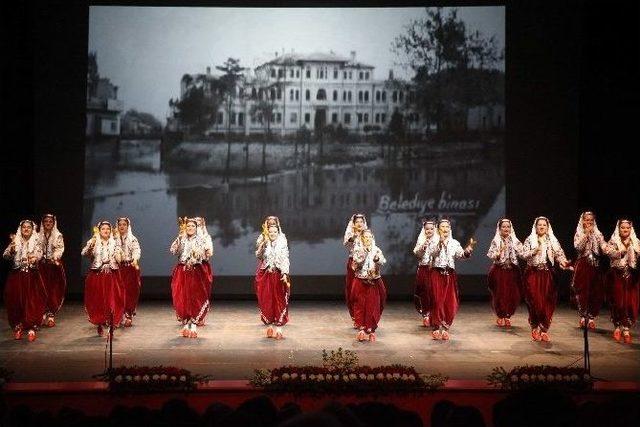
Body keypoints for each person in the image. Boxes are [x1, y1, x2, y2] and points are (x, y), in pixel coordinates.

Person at [521, 216, 572, 342]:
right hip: (532, 274)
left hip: (547, 275)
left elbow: (559, 254)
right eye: (540, 225)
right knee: (534, 301)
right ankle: (535, 326)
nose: (542, 227)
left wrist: (564, 264)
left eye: (544, 225)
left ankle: (543, 329)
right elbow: (522, 254)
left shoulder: (552, 240)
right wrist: (534, 251)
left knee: (546, 302)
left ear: (547, 227)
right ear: (536, 227)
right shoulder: (530, 240)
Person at [424, 219, 475, 340]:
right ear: (438, 229)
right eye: (442, 226)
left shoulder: (454, 243)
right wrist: (439, 244)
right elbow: (432, 253)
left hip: (449, 275)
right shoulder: (433, 241)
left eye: (447, 226)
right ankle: (436, 327)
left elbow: (461, 255)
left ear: (450, 229)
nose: (445, 229)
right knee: (437, 301)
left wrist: (467, 252)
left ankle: (446, 327)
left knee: (450, 302)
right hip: (437, 273)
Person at [3, 219, 47, 341]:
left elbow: (40, 253)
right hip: (17, 276)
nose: (26, 229)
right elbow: (5, 255)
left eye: (29, 227)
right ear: (21, 229)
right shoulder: (15, 241)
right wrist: (11, 249)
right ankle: (18, 326)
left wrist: (34, 258)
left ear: (32, 229)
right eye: (24, 227)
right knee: (16, 301)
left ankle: (32, 327)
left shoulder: (36, 241)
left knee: (32, 301)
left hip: (31, 276)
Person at [81, 221, 125, 336]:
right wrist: (92, 243)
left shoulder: (115, 243)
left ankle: (112, 325)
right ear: (99, 231)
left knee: (113, 300)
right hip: (97, 275)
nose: (106, 231)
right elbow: (84, 253)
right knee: (98, 300)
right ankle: (99, 323)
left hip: (112, 275)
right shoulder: (94, 241)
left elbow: (120, 259)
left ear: (110, 231)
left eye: (107, 229)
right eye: (103, 229)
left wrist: (119, 255)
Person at [170, 217, 210, 338]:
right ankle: (186, 322)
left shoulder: (201, 239)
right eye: (188, 226)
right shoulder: (181, 238)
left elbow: (205, 255)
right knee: (181, 296)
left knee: (195, 297)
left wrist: (197, 255)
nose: (190, 228)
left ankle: (193, 323)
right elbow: (172, 250)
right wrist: (179, 238)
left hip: (196, 271)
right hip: (182, 271)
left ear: (196, 228)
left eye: (193, 226)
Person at [604, 219, 639, 344]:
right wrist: (620, 252)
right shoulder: (614, 241)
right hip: (616, 276)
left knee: (630, 303)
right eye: (623, 228)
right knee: (618, 302)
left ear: (631, 229)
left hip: (631, 277)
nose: (625, 230)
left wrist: (635, 250)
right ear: (619, 229)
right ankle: (618, 327)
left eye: (627, 228)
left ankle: (626, 329)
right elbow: (607, 251)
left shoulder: (636, 242)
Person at [255, 218, 291, 339]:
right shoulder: (264, 241)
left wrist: (285, 273)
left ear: (278, 231)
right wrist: (262, 245)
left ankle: (279, 329)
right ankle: (269, 325)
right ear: (267, 232)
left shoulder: (282, 242)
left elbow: (285, 258)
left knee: (279, 301)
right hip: (266, 274)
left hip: (278, 274)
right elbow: (259, 256)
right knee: (266, 300)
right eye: (271, 232)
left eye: (275, 232)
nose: (273, 234)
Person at [571, 212, 607, 329]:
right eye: (586, 220)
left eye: (591, 220)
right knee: (582, 291)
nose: (589, 222)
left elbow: (604, 247)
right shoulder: (579, 233)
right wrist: (586, 234)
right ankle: (583, 316)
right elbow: (578, 247)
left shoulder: (598, 234)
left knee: (596, 292)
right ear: (582, 221)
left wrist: (612, 250)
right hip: (583, 265)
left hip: (595, 266)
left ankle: (591, 317)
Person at [351, 228, 387, 342]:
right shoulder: (358, 250)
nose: (368, 239)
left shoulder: (376, 249)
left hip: (373, 281)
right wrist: (365, 252)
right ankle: (361, 328)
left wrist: (377, 259)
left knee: (373, 305)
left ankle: (370, 329)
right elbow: (357, 260)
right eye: (365, 237)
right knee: (360, 304)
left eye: (369, 237)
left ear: (372, 238)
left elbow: (383, 260)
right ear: (362, 239)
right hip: (361, 281)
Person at [486, 219, 522, 328]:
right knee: (500, 294)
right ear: (500, 228)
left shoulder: (515, 241)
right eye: (504, 227)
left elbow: (523, 253)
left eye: (508, 227)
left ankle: (508, 315)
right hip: (499, 271)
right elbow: (491, 254)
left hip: (512, 271)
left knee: (513, 294)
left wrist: (533, 252)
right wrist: (497, 255)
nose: (506, 229)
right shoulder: (496, 241)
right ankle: (501, 315)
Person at [38, 213, 66, 327]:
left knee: (52, 290)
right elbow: (37, 248)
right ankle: (41, 313)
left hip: (53, 266)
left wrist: (55, 256)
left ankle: (50, 314)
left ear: (53, 223)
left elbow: (60, 248)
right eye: (46, 221)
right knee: (40, 290)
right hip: (40, 266)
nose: (48, 223)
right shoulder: (37, 235)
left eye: (50, 221)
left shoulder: (58, 235)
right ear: (43, 223)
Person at [114, 217, 141, 327]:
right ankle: (117, 314)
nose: (122, 226)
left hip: (129, 268)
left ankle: (128, 314)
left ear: (128, 226)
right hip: (117, 268)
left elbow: (136, 250)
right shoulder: (113, 239)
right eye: (120, 224)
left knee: (129, 292)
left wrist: (135, 259)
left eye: (124, 224)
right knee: (117, 292)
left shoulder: (132, 239)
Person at [343, 213, 367, 328]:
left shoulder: (368, 235)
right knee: (353, 291)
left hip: (366, 265)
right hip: (353, 264)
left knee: (365, 292)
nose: (359, 224)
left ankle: (364, 317)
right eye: (357, 222)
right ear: (353, 224)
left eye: (361, 222)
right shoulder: (351, 235)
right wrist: (354, 236)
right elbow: (347, 243)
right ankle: (355, 316)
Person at [413, 219, 436, 327]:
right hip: (424, 269)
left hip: (435, 269)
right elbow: (417, 253)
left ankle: (435, 315)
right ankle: (426, 314)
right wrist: (423, 247)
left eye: (431, 229)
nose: (429, 231)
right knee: (424, 292)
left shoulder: (438, 239)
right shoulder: (421, 239)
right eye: (427, 229)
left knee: (435, 292)